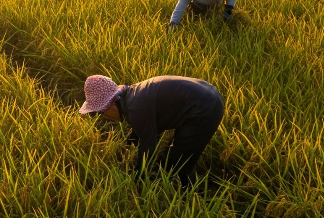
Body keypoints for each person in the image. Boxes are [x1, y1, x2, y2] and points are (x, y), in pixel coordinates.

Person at [80, 74, 224, 186]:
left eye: (101, 112)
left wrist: (136, 177)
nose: (104, 116)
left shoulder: (135, 108)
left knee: (178, 163)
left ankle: (183, 193)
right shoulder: (131, 95)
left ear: (110, 105)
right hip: (205, 93)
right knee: (168, 157)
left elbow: (148, 146)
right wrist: (133, 138)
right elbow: (148, 123)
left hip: (205, 107)